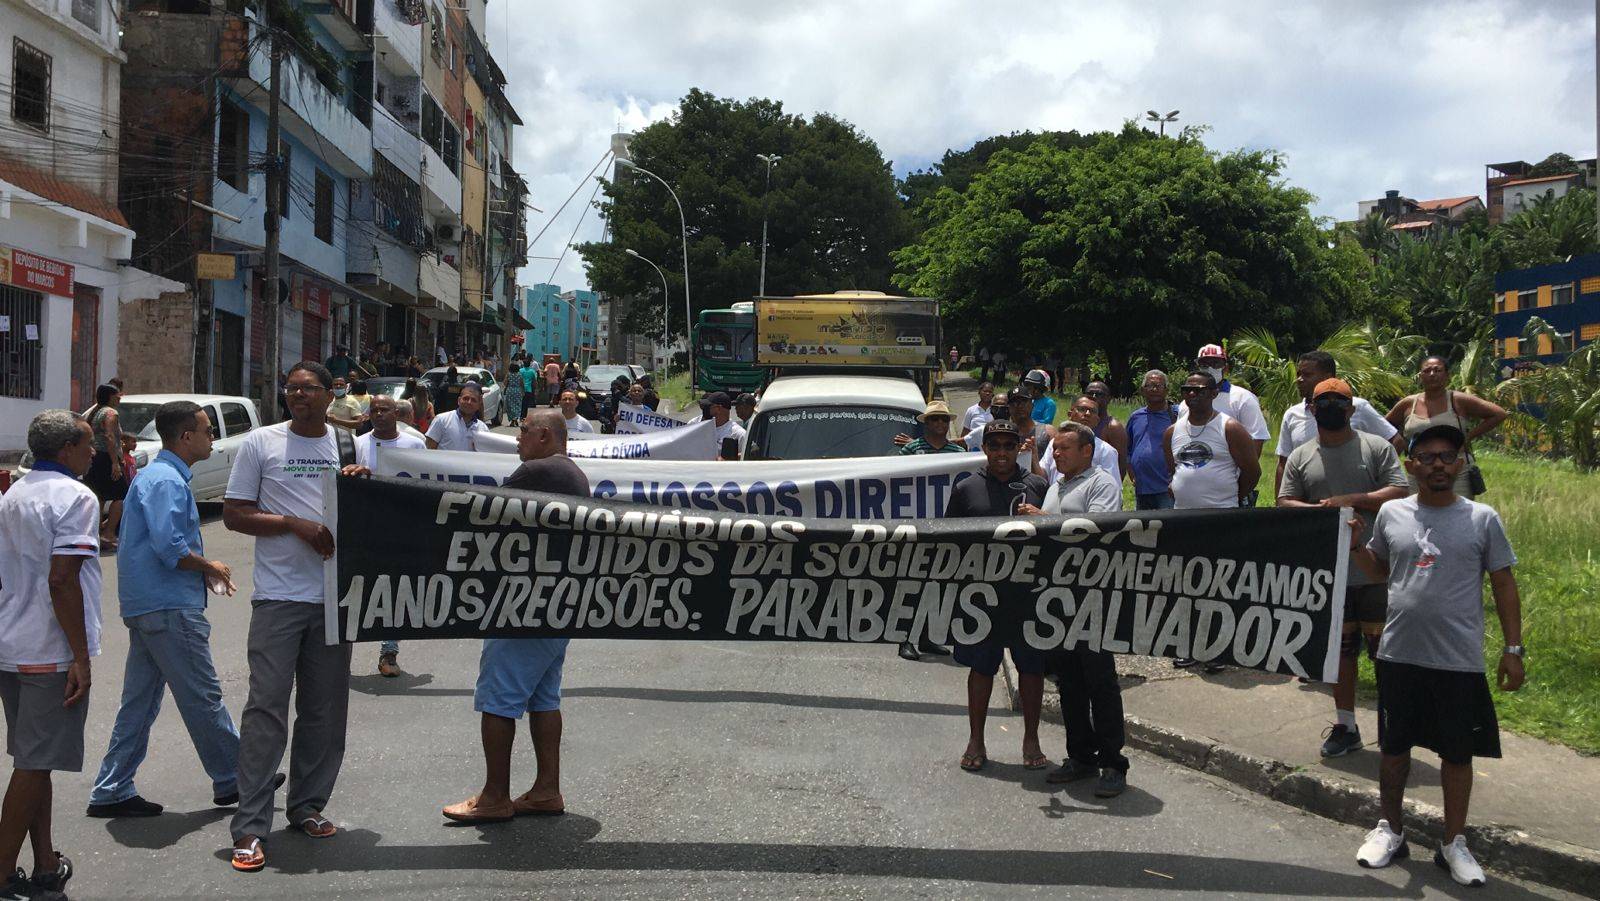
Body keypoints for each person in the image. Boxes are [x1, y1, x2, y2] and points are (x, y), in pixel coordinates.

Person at [1348, 424, 1523, 888]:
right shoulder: (1391, 513)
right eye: (1427, 457)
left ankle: (1453, 841)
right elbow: (1381, 569)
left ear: (1461, 463)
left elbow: (1504, 583)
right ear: (1411, 466)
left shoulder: (1482, 518)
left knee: (1457, 755)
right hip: (1399, 653)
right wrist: (1354, 548)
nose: (1438, 464)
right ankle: (1391, 829)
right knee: (1393, 748)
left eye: (1448, 456)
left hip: (1458, 659)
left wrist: (1513, 649)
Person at [222, 362, 364, 873]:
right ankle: (250, 826)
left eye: (308, 389)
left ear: (331, 395)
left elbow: (368, 517)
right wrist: (291, 524)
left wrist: (359, 487)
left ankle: (307, 806)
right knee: (266, 709)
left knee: (324, 712)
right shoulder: (262, 444)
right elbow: (234, 514)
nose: (298, 395)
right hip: (279, 599)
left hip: (332, 598)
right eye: (291, 389)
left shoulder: (349, 446)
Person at [87, 401, 249, 820]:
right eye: (207, 430)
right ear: (185, 437)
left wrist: (201, 568)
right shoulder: (166, 482)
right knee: (202, 694)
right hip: (168, 606)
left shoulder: (159, 477)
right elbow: (171, 548)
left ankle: (112, 787)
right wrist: (208, 565)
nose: (213, 436)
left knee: (139, 703)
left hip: (152, 606)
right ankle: (237, 775)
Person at [443, 410, 588, 824]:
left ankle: (494, 796)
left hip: (523, 605)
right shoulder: (571, 473)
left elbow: (479, 511)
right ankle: (546, 789)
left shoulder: (538, 471)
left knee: (499, 698)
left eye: (523, 431)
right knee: (544, 697)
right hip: (556, 603)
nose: (518, 439)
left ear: (544, 436)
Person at [1277, 379, 1408, 758]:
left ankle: (1394, 727)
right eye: (1324, 402)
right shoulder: (1302, 455)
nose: (1332, 406)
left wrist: (1352, 500)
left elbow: (1399, 491)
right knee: (1341, 654)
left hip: (1376, 570)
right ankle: (1346, 724)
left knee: (1386, 654)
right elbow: (1285, 501)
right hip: (1330, 574)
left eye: (1340, 401)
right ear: (1313, 410)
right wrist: (1321, 512)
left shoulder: (1376, 447)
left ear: (1352, 410)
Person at [0, 410, 99, 900]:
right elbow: (63, 580)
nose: (94, 451)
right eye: (87, 443)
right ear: (66, 450)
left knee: (33, 760)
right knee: (34, 764)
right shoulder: (76, 497)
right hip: (48, 648)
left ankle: (44, 862)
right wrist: (80, 657)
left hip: (13, 642)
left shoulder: (16, 492)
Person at [1017, 423, 1129, 798]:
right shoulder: (1058, 485)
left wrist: (1042, 519)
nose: (1057, 454)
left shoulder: (1102, 485)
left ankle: (1113, 762)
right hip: (1058, 600)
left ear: (1087, 451)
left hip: (1091, 599)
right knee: (1070, 683)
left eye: (1065, 448)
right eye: (1055, 448)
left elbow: (1095, 531)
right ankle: (1081, 756)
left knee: (1100, 682)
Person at [946, 419, 1049, 773]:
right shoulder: (965, 488)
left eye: (1008, 446)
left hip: (1028, 594)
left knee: (1032, 668)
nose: (1001, 453)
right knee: (981, 666)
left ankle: (1031, 738)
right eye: (995, 446)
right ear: (984, 449)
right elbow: (950, 540)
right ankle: (976, 739)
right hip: (982, 594)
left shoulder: (1037, 485)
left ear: (1018, 447)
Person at [1165, 371, 1261, 670]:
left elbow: (1252, 472)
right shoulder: (1173, 431)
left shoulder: (1229, 427)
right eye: (1187, 390)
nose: (1193, 395)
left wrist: (1229, 498)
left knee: (1218, 586)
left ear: (1213, 393)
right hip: (1184, 520)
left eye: (1200, 390)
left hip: (1221, 520)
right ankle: (1189, 644)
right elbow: (1175, 469)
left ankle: (1218, 649)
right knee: (1186, 584)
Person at [893, 400, 965, 662]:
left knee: (936, 586)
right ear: (926, 423)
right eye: (934, 419)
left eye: (944, 420)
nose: (939, 424)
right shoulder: (911, 450)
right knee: (911, 585)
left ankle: (927, 637)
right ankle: (905, 638)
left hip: (945, 529)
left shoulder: (958, 453)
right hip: (915, 528)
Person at [1275, 351, 1402, 497]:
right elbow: (1283, 463)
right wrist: (1280, 506)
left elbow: (1395, 441)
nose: (1299, 379)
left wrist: (1374, 475)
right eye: (1299, 374)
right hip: (1309, 504)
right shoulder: (1292, 414)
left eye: (1307, 375)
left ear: (1327, 377)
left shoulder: (1357, 407)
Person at [1385, 355, 1507, 499]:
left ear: (1447, 375)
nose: (1432, 374)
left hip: (1455, 469)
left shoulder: (1458, 400)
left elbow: (1499, 414)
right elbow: (1383, 427)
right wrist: (1398, 447)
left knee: (1458, 513)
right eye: (1427, 371)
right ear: (1420, 375)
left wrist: (1468, 438)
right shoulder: (1408, 404)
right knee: (1418, 514)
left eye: (1437, 370)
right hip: (1418, 471)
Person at [1178, 344, 1270, 485]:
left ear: (1225, 367)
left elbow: (1256, 440)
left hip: (1230, 482)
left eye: (1215, 363)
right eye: (1204, 364)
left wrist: (1242, 481)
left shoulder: (1242, 398)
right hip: (1194, 481)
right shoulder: (1186, 403)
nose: (1210, 368)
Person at [1126, 370, 1178, 510]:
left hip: (1167, 489)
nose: (1154, 389)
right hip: (1142, 488)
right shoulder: (1136, 417)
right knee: (1144, 530)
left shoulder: (1177, 415)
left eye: (1159, 386)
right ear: (1143, 390)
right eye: (1150, 385)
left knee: (1168, 529)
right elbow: (1128, 448)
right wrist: (1131, 471)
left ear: (1166, 390)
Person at [83, 383, 126, 549]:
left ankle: (95, 533)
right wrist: (115, 463)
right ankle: (108, 533)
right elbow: (110, 436)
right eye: (117, 395)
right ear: (110, 397)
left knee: (98, 496)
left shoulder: (94, 412)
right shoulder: (110, 413)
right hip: (106, 458)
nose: (119, 397)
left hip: (95, 458)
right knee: (120, 494)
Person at [1039, 395, 1119, 484]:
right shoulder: (1054, 443)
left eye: (1093, 411)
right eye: (1082, 409)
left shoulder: (1106, 451)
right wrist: (1033, 457)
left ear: (1097, 420)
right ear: (1070, 414)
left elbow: (1112, 487)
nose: (1087, 414)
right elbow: (1042, 477)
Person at [1084, 380, 1130, 480]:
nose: (1094, 397)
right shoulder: (1080, 423)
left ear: (1108, 399)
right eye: (1090, 393)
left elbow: (1121, 466)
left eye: (1099, 394)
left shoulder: (1113, 427)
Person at [425, 382, 489, 452]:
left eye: (473, 400)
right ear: (459, 400)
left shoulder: (483, 429)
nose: (469, 402)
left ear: (478, 405)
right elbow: (428, 451)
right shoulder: (442, 420)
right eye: (466, 398)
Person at [706, 392, 745, 459]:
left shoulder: (739, 433)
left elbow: (751, 454)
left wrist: (727, 458)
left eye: (708, 407)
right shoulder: (704, 428)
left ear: (718, 409)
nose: (705, 409)